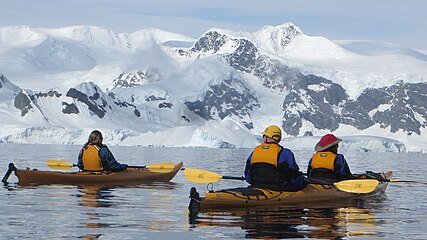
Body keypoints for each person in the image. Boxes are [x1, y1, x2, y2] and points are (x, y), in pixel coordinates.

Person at [244, 125, 307, 191]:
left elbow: (248, 177)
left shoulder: (254, 152)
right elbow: (294, 177)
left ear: (265, 138)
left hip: (256, 186)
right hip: (278, 189)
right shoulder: (286, 153)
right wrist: (303, 180)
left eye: (264, 136)